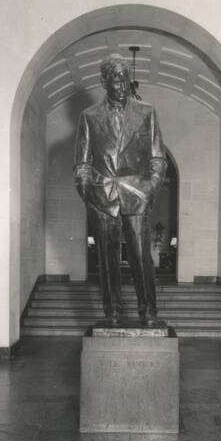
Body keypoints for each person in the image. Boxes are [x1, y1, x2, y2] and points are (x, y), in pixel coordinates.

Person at [74, 54, 166, 325]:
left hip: (137, 194)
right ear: (104, 81)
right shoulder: (89, 116)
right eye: (116, 78)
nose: (122, 84)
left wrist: (151, 188)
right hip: (101, 195)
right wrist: (88, 192)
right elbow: (82, 162)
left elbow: (157, 157)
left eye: (125, 77)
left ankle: (148, 311)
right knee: (107, 257)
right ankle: (111, 311)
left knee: (140, 256)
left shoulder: (146, 112)